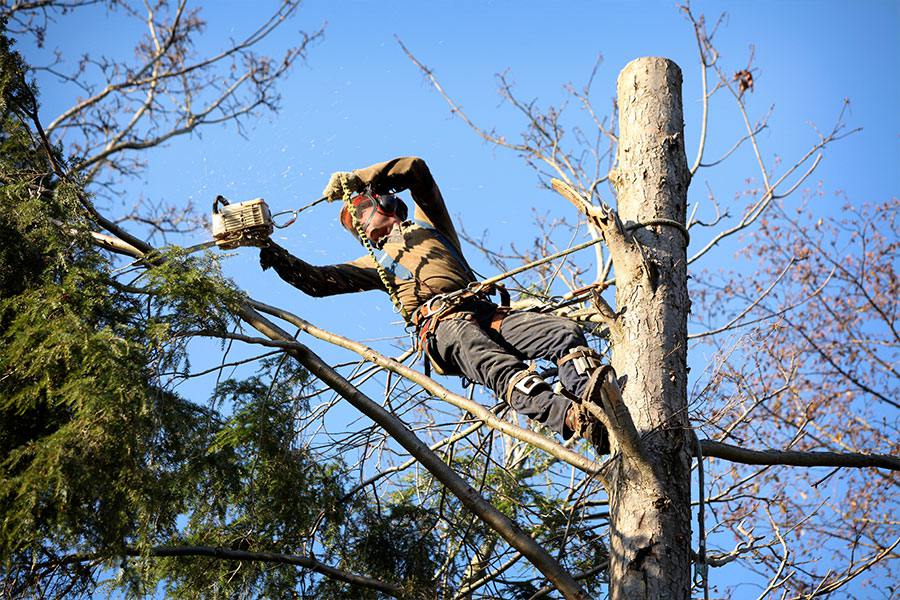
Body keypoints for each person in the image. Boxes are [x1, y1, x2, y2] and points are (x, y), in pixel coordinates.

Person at [258, 156, 610, 453]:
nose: (362, 226)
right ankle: (571, 417)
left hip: (486, 312)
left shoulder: (432, 226)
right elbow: (318, 282)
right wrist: (273, 252)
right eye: (357, 225)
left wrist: (359, 178)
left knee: (562, 333)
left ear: (386, 203)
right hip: (442, 325)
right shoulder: (375, 265)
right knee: (494, 363)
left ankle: (599, 400)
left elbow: (417, 171)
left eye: (362, 213)